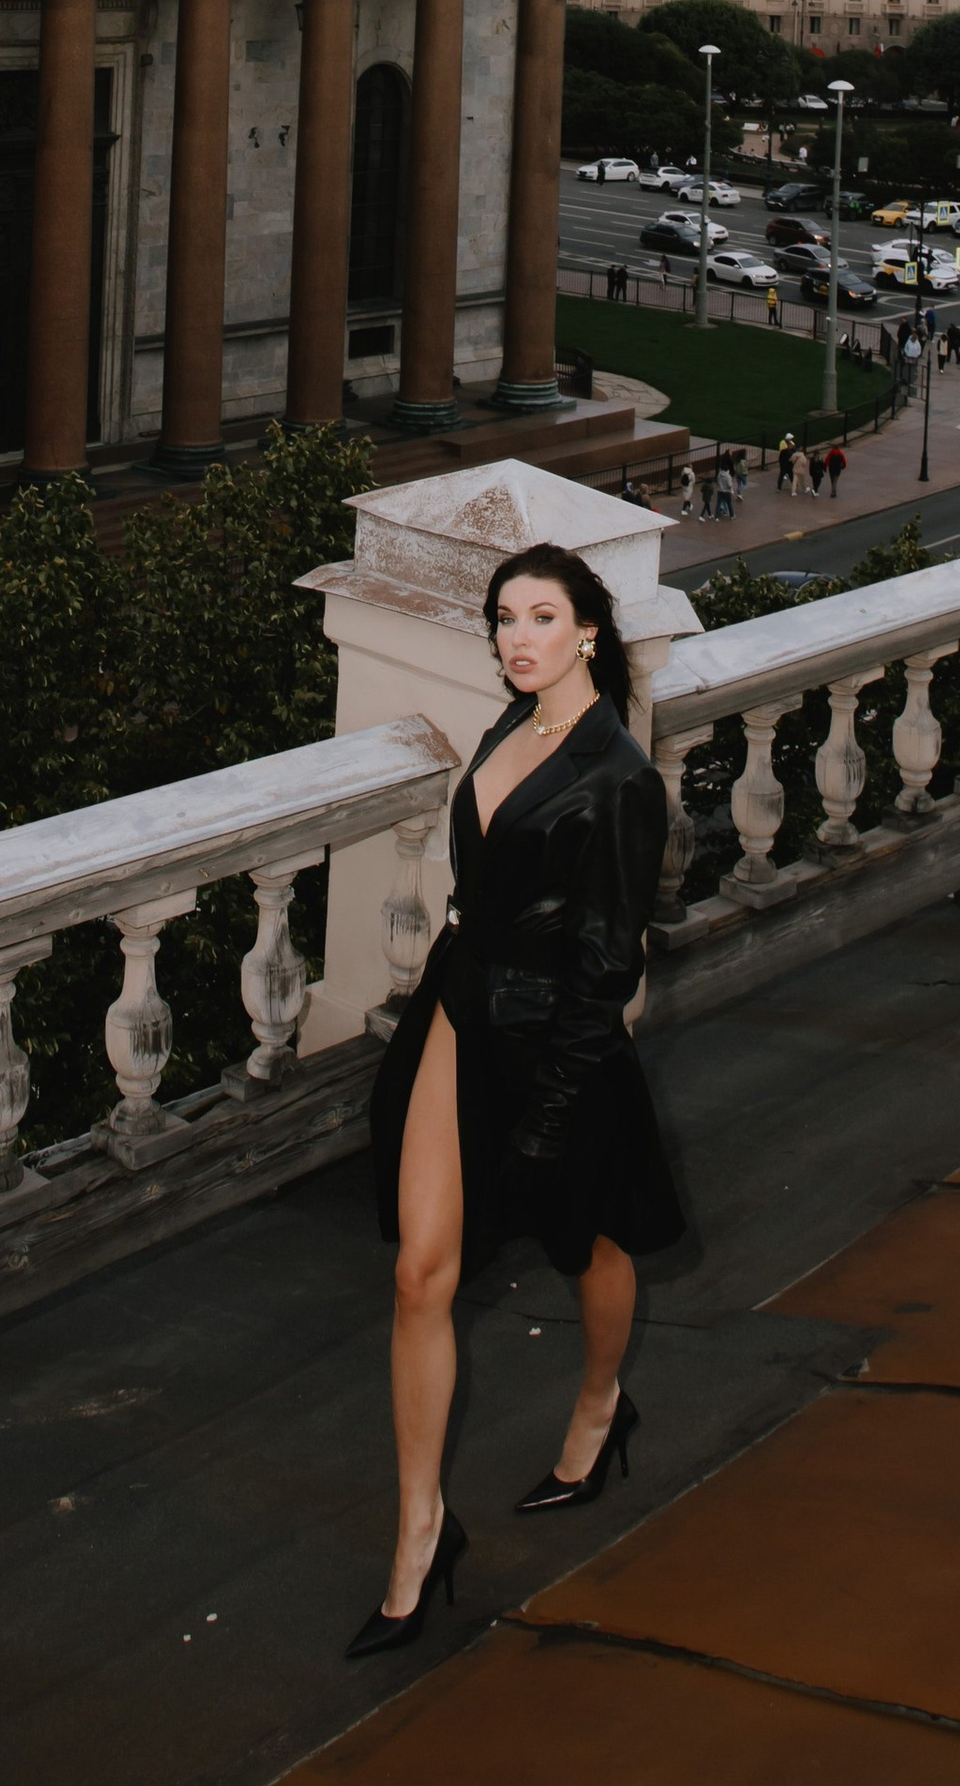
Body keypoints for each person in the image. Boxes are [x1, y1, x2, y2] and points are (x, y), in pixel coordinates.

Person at [357, 545, 682, 1656]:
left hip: (557, 1048)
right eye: (504, 618)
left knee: (583, 1242)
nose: (516, 637)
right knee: (418, 1273)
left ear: (589, 627)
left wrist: (547, 1117)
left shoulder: (619, 775)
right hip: (463, 1012)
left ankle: (599, 1405)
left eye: (541, 617)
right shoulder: (513, 724)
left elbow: (608, 964)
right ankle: (418, 1530)